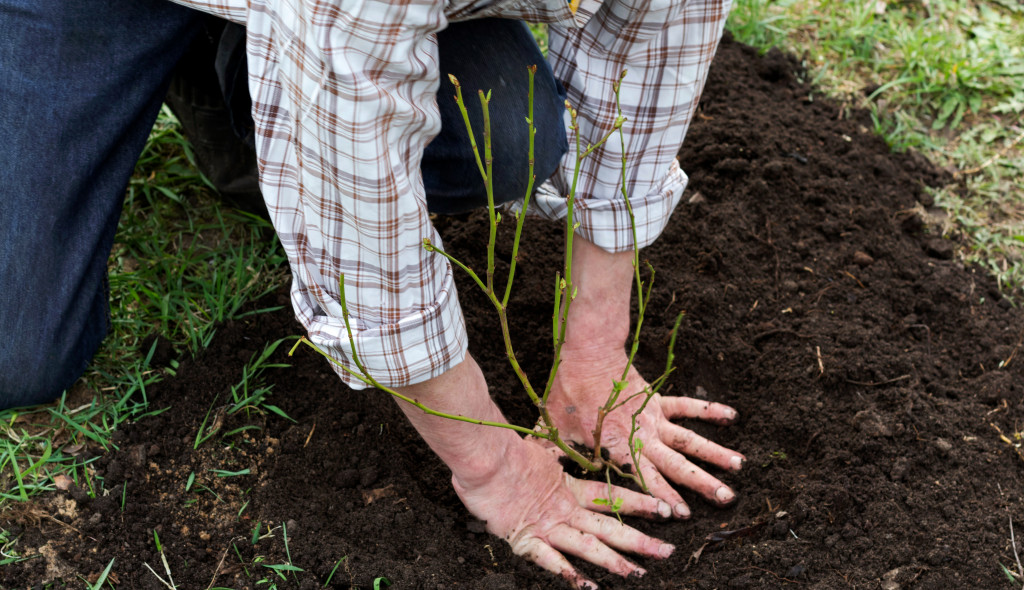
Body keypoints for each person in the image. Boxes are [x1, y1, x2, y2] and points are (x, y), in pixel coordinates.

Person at [0, 0, 743, 587]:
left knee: (505, 136)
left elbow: (648, 63)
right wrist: (496, 469)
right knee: (16, 353)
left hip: (331, 18)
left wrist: (594, 355)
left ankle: (248, 60)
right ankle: (243, 59)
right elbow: (364, 240)